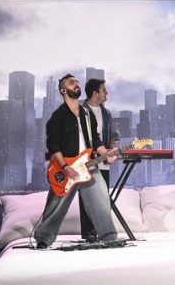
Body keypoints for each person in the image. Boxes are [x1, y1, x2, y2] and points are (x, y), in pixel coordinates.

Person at [34, 74, 119, 249]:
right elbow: (53, 146)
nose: (76, 84)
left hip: (88, 166)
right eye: (71, 83)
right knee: (56, 205)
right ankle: (43, 238)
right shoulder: (57, 117)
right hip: (65, 168)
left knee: (102, 199)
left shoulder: (87, 114)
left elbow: (96, 140)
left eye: (77, 82)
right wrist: (65, 167)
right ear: (63, 90)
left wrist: (105, 152)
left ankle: (109, 238)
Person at [80, 78, 120, 242]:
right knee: (86, 199)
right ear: (95, 93)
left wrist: (111, 151)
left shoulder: (107, 113)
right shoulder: (80, 111)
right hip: (84, 162)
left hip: (102, 162)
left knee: (103, 197)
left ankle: (103, 232)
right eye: (104, 90)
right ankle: (88, 232)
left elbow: (112, 135)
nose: (106, 93)